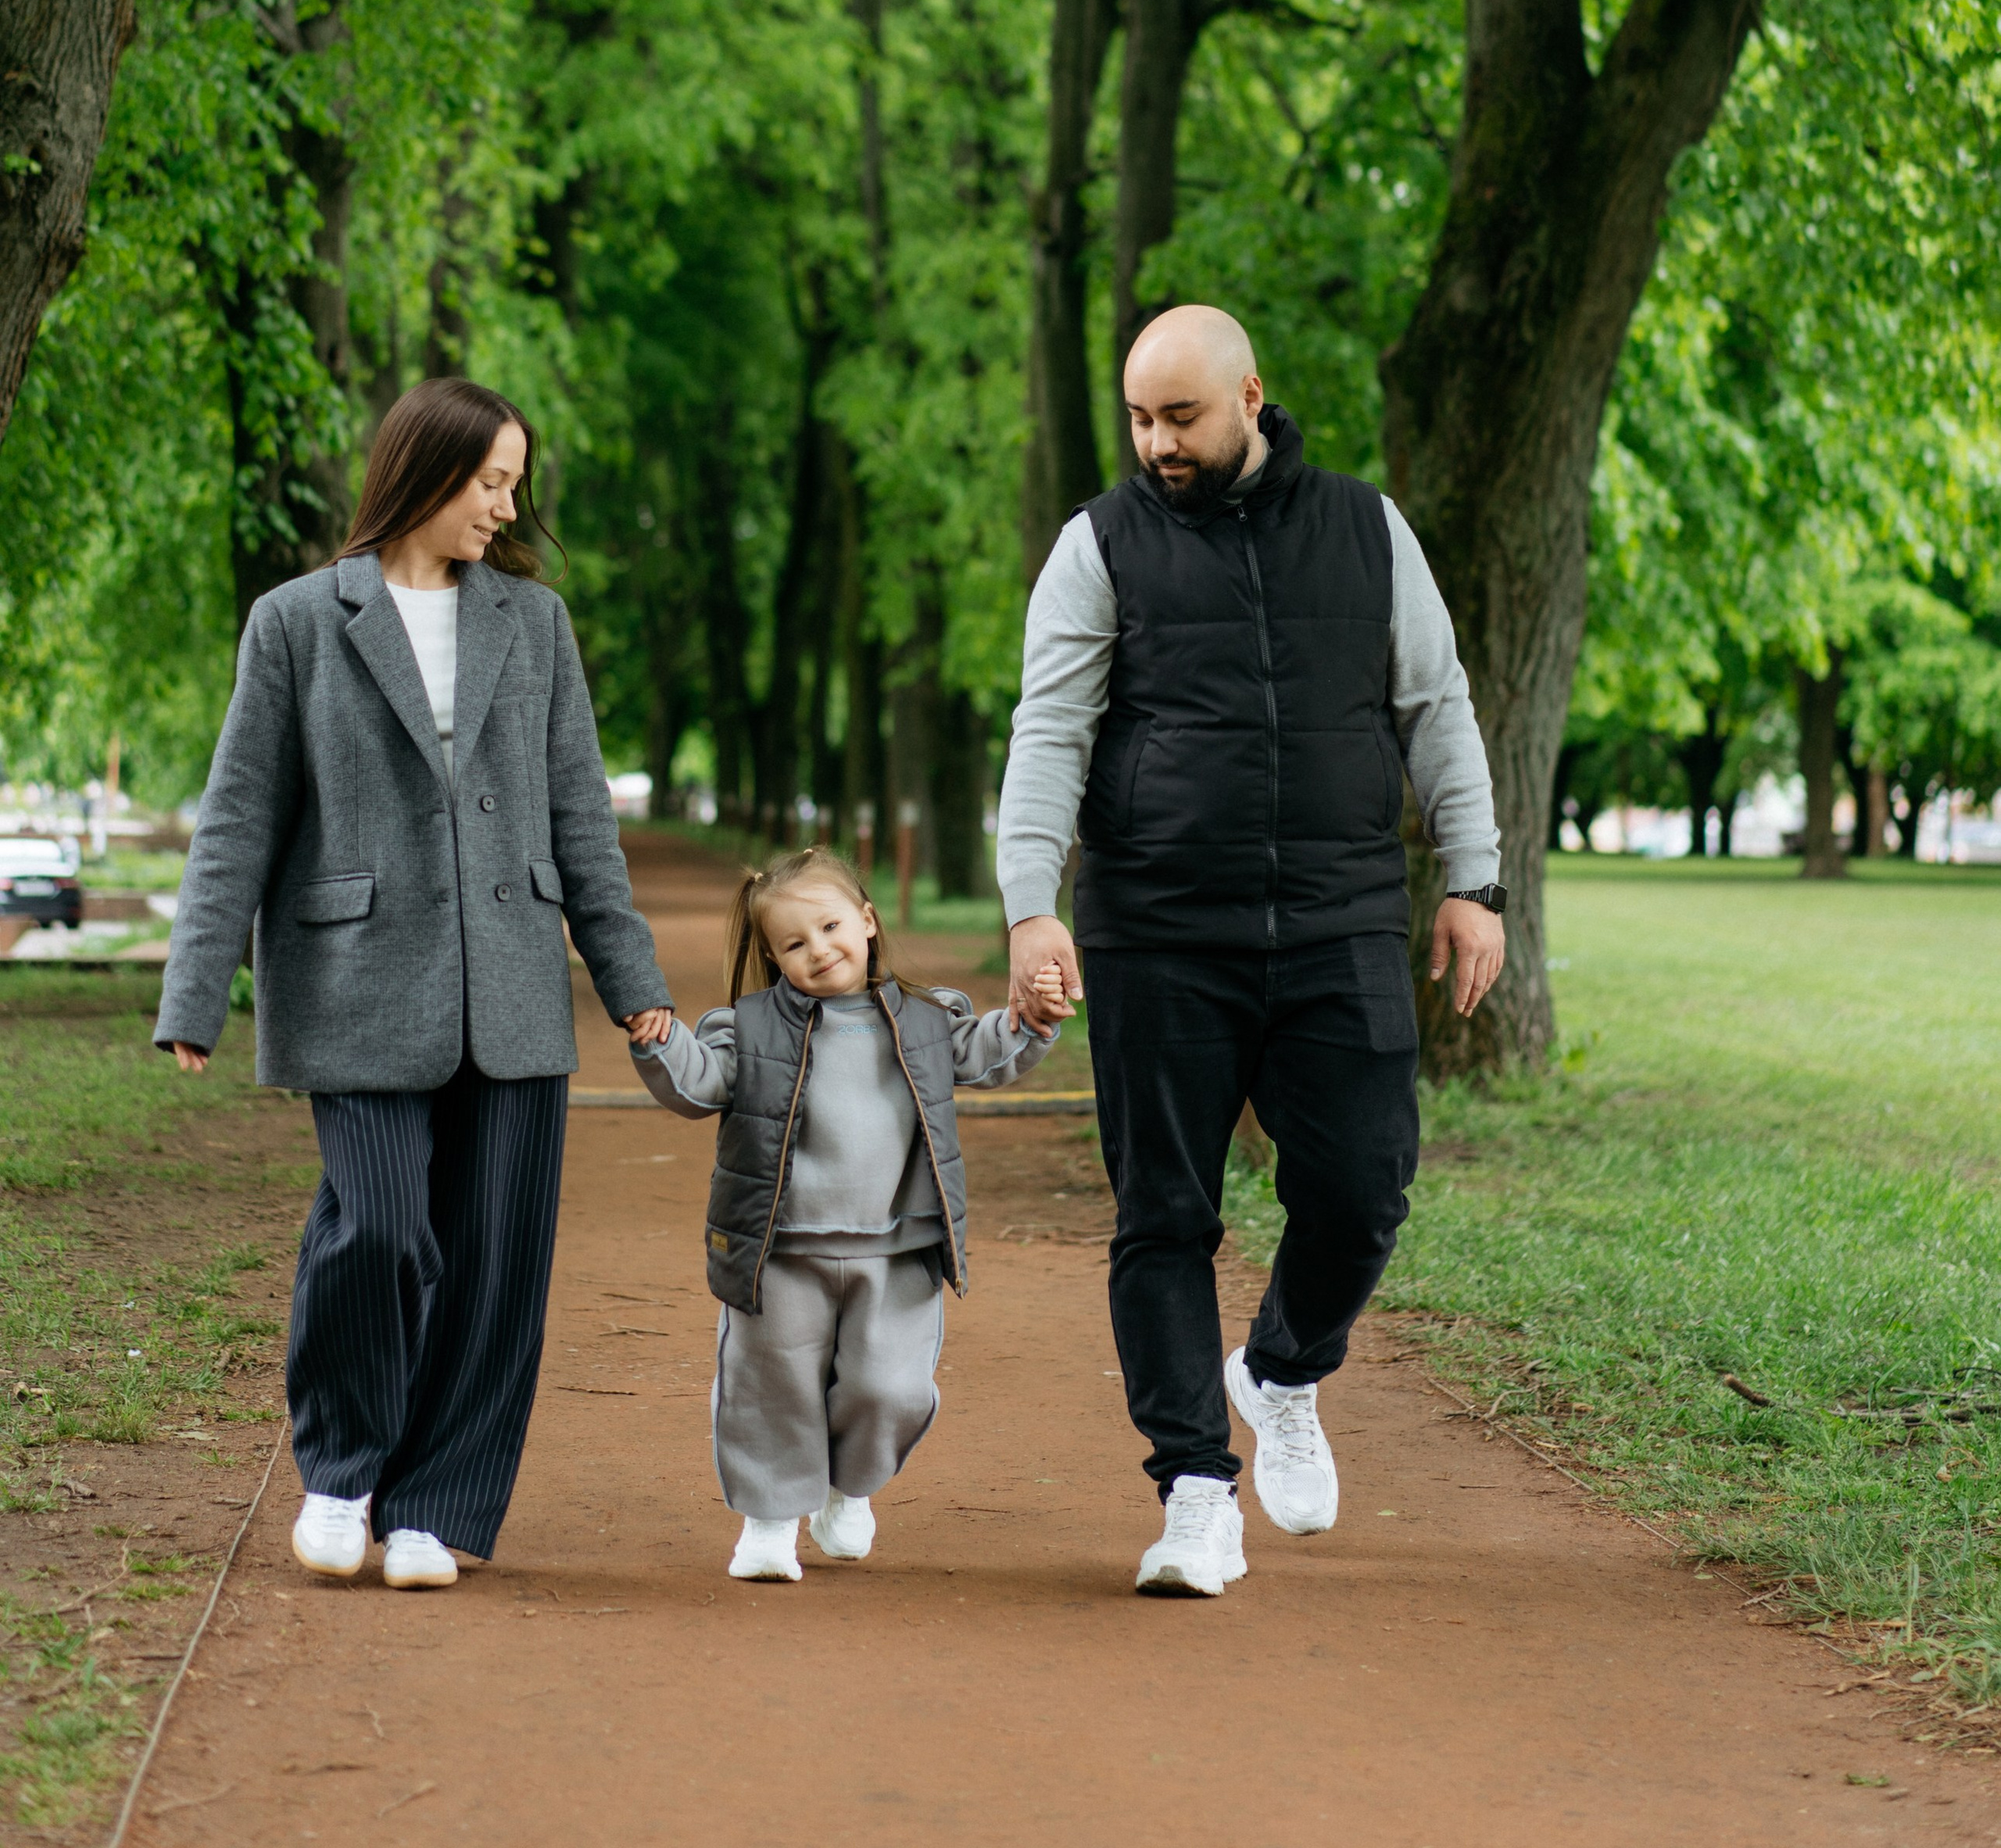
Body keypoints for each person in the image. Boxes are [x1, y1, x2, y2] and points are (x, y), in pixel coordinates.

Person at [999, 304, 1504, 1597]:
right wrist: (1030, 906)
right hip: (1160, 928)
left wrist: (1476, 881)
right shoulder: (1097, 545)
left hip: (1338, 918)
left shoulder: (1364, 527)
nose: (1156, 443)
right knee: (1164, 1212)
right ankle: (1193, 1492)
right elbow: (1051, 730)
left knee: (1365, 1183)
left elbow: (1435, 705)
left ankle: (1280, 1370)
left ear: (1250, 397)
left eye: (1180, 417)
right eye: (1138, 419)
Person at [156, 378, 673, 1592]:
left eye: (513, 483)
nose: (506, 506)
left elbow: (581, 817)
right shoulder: (294, 621)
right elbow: (238, 818)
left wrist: (630, 979)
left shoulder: (534, 626)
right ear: (425, 471)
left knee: (496, 1262)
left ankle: (438, 1501)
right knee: (377, 1226)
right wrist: (194, 995)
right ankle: (343, 1473)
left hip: (511, 991)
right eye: (490, 480)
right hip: (352, 986)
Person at [630, 847, 1065, 1581]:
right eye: (794, 944)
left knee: (890, 1388)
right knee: (773, 1383)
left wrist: (1032, 1019)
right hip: (781, 1250)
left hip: (896, 1250)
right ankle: (769, 1523)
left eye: (831, 927)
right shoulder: (750, 1028)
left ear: (866, 920)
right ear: (773, 957)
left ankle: (846, 1488)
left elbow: (987, 1052)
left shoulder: (926, 1022)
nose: (819, 950)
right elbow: (699, 1085)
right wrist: (661, 1039)